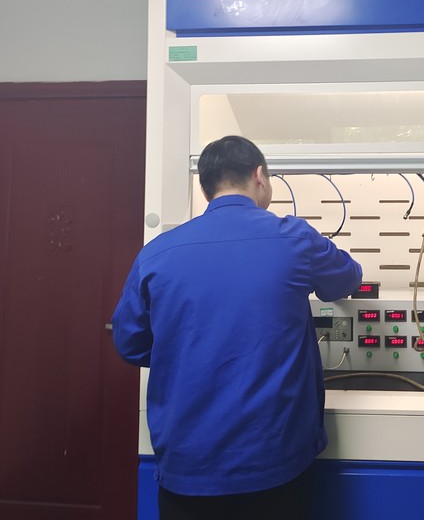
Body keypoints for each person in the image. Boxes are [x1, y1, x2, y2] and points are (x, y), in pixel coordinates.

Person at [112, 135, 362, 520]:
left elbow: (130, 343)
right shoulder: (294, 238)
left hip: (187, 464)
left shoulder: (157, 253)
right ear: (260, 176)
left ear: (206, 188)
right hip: (274, 460)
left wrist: (186, 350)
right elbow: (345, 280)